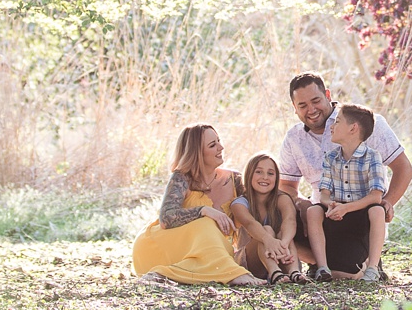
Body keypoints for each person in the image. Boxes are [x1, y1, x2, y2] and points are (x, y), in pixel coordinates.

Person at [277, 73, 412, 272]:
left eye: (316, 101)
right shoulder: (294, 138)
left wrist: (387, 202)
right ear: (294, 107)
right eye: (303, 105)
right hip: (323, 213)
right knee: (274, 215)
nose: (311, 110)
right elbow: (287, 186)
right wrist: (301, 203)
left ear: (328, 95)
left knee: (348, 264)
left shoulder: (364, 123)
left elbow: (403, 168)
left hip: (360, 213)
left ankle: (360, 263)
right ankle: (320, 263)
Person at [131, 123, 265, 286]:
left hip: (210, 253)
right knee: (205, 223)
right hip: (162, 246)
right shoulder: (181, 178)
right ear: (197, 153)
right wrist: (204, 210)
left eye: (219, 141)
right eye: (212, 145)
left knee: (211, 234)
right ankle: (232, 274)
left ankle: (162, 274)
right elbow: (166, 219)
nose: (221, 147)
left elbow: (263, 205)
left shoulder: (235, 180)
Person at [305, 104, 388, 283]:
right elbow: (324, 194)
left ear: (353, 128)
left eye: (337, 121)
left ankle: (373, 267)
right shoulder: (330, 158)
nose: (332, 126)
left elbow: (376, 196)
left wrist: (347, 208)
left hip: (360, 216)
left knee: (377, 210)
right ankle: (322, 267)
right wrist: (331, 205)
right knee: (313, 211)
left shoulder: (372, 157)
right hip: (337, 215)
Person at [231, 153, 300, 283]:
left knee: (285, 235)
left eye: (270, 173)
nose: (265, 177)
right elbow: (250, 224)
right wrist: (269, 240)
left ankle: (294, 272)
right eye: (258, 172)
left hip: (284, 258)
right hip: (250, 263)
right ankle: (275, 273)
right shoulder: (239, 203)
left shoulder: (282, 198)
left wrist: (283, 243)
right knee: (266, 230)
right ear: (249, 174)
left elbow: (290, 221)